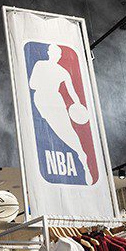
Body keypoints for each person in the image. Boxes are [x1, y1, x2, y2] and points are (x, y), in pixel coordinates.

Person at [28, 43, 92, 184]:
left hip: (54, 100)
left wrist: (78, 105)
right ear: (49, 53)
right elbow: (32, 85)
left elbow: (72, 92)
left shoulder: (62, 71)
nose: (56, 56)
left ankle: (82, 156)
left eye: (58, 54)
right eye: (55, 53)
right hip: (44, 99)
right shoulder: (42, 65)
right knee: (61, 130)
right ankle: (81, 154)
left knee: (66, 130)